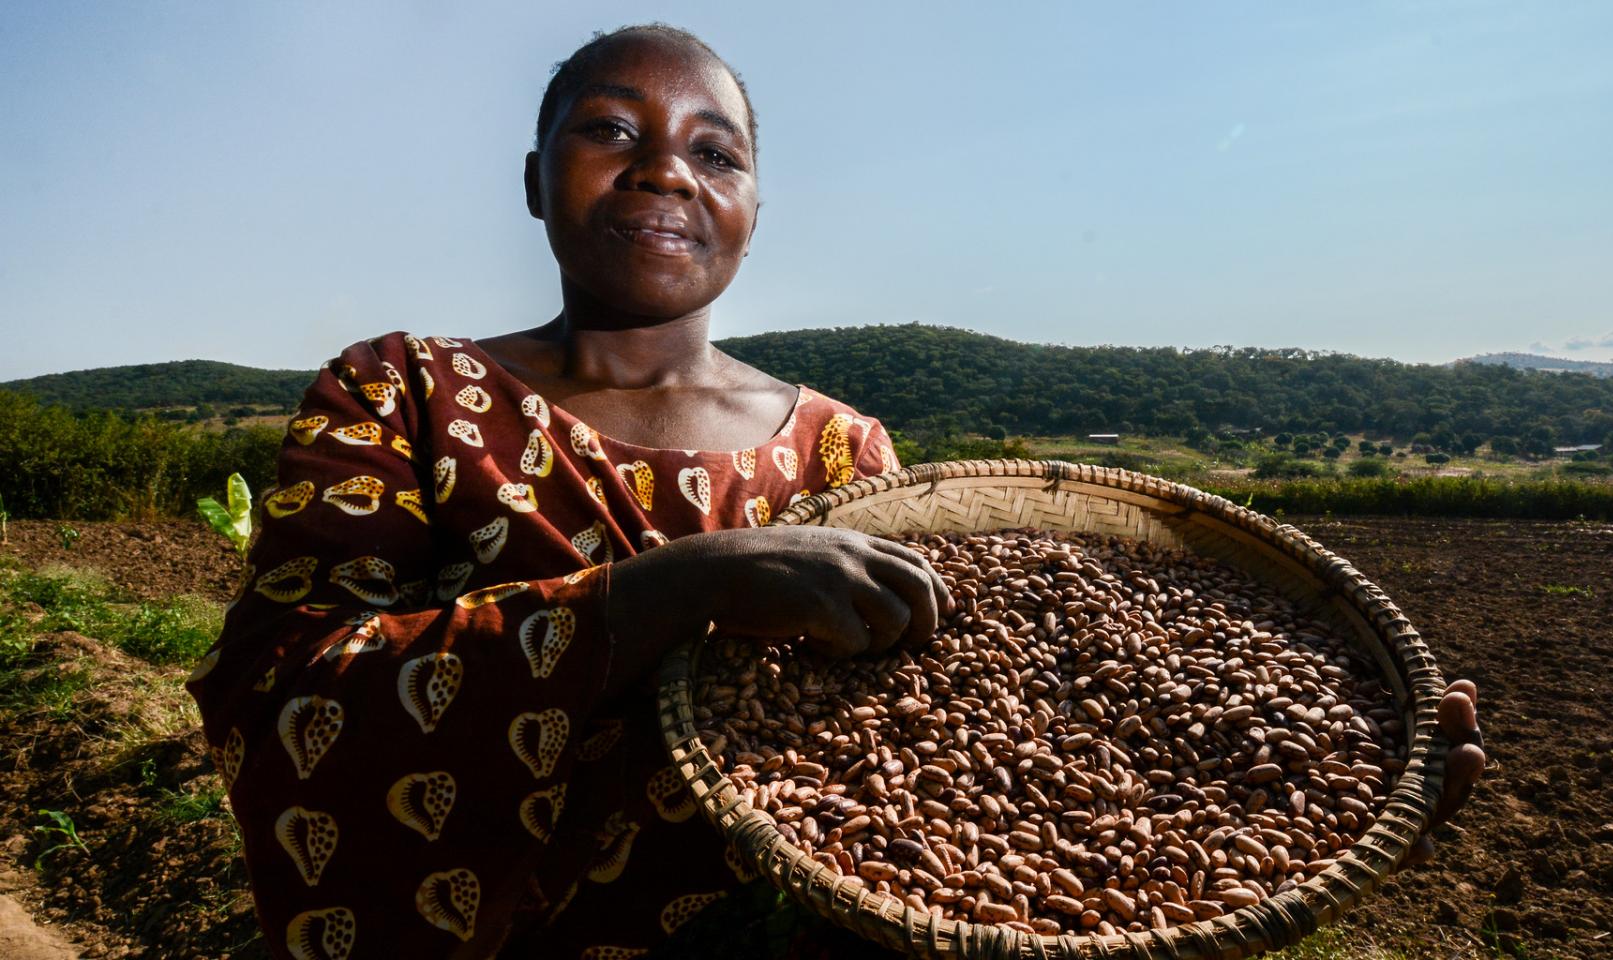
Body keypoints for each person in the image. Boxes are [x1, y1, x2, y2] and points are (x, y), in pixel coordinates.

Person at [187, 24, 1483, 960]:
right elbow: (282, 695)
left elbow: (961, 758)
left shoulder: (844, 455)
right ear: (534, 180)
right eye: (610, 131)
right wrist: (666, 592)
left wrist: (1314, 814)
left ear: (753, 211)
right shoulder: (407, 391)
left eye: (716, 152)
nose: (664, 169)